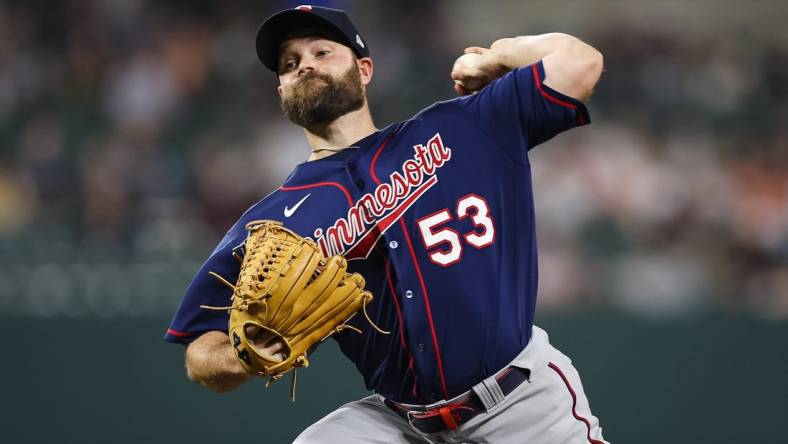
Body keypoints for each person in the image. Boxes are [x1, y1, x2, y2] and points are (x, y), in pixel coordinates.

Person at [165, 5, 607, 443]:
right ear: (280, 90)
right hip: (402, 423)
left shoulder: (462, 125)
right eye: (289, 63)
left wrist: (502, 54)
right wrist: (242, 357)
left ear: (365, 69)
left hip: (522, 405)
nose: (305, 66)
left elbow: (581, 63)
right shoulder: (271, 224)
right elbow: (200, 352)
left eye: (322, 52)